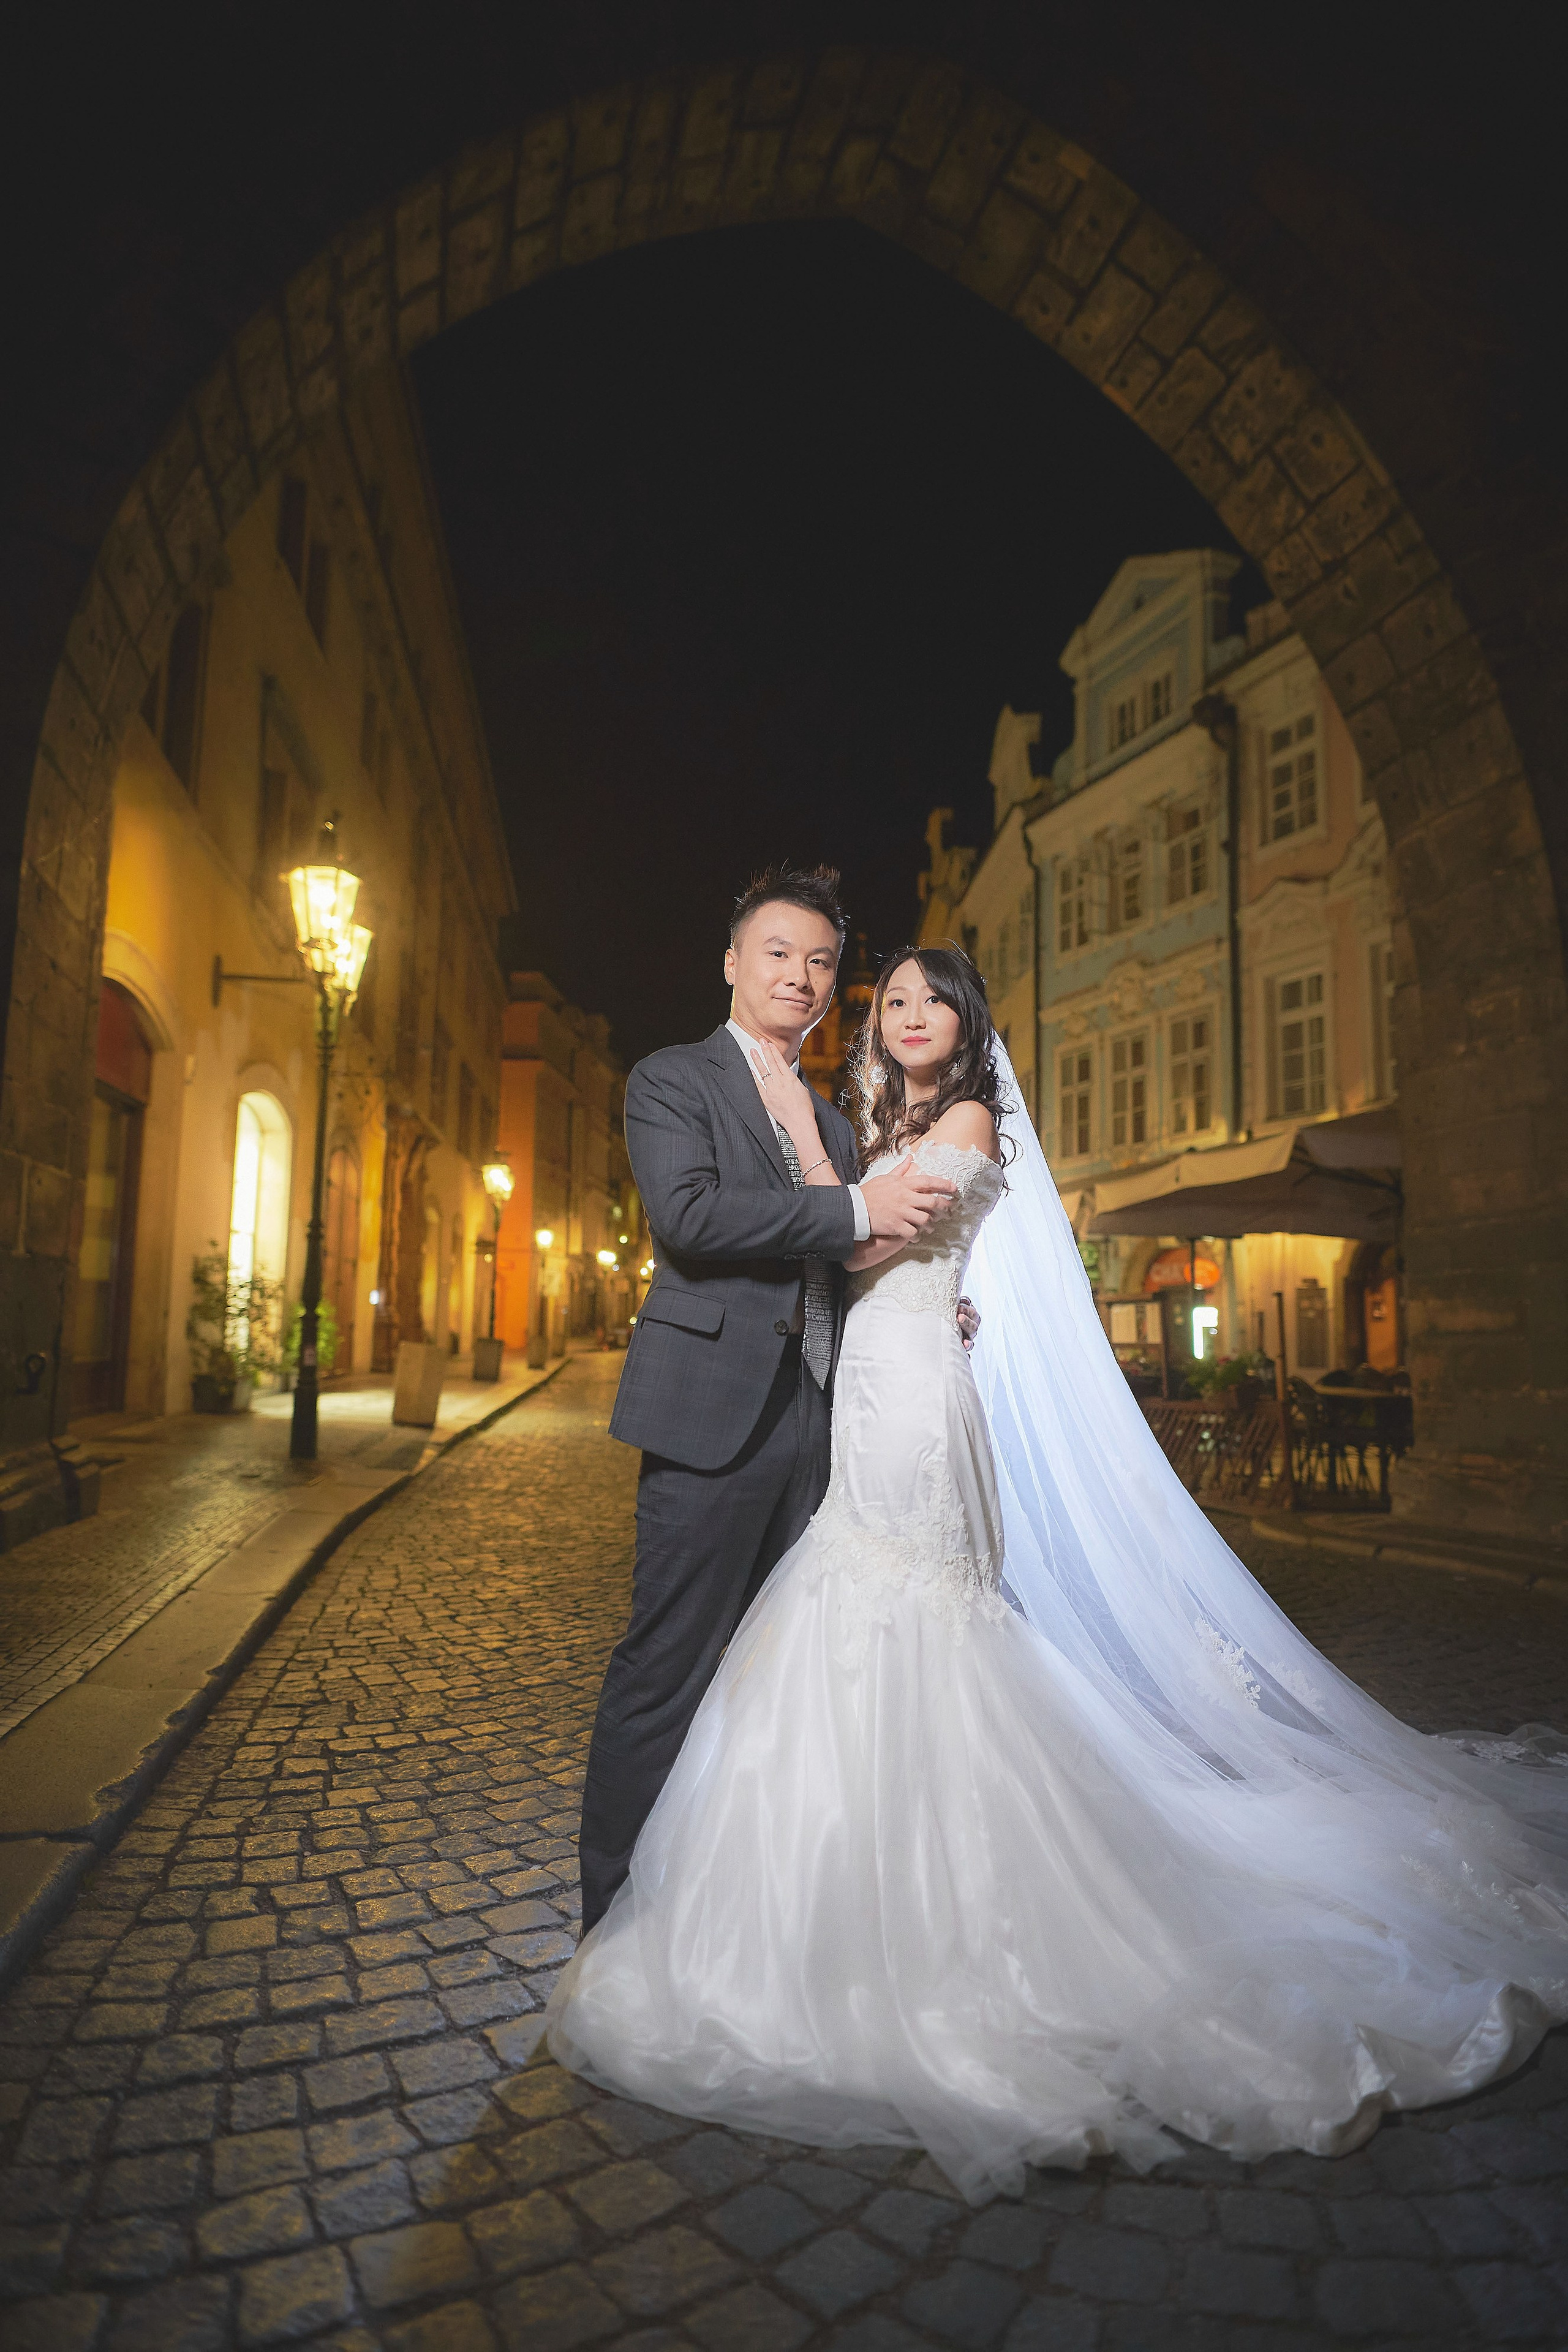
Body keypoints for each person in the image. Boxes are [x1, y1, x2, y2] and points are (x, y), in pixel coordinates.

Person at [551, 944, 1568, 2205]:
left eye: (930, 1001)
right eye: (893, 1001)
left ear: (967, 1024)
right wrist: (852, 1212)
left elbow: (876, 1242)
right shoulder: (877, 1115)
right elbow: (862, 1236)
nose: (907, 1015)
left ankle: (955, 1928)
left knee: (918, 1616)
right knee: (850, 1615)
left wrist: (846, 1215)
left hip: (913, 1392)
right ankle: (838, 1901)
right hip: (864, 1388)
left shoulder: (961, 1114)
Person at [576, 866, 963, 1934]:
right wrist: (854, 1211)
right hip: (710, 1412)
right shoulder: (673, 1079)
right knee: (668, 1663)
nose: (802, 975)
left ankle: (726, 1906)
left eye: (823, 962)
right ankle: (610, 1919)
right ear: (735, 964)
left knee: (775, 1673)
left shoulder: (838, 1128)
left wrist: (915, 1295)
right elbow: (692, 1219)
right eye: (780, 954)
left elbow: (835, 1250)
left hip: (821, 1418)